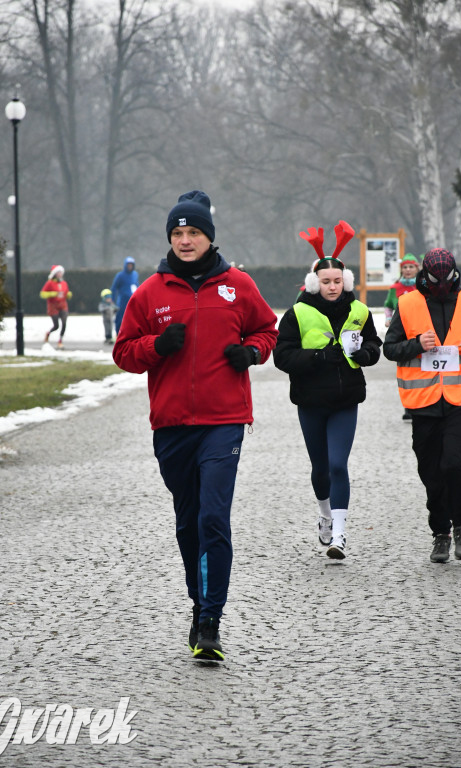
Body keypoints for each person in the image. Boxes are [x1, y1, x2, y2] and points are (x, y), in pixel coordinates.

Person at [112, 190, 278, 661]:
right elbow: (124, 352)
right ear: (170, 238)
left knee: (212, 517)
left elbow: (268, 330)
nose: (185, 241)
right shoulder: (150, 293)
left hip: (223, 421)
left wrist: (250, 353)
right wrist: (157, 348)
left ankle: (211, 620)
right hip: (171, 425)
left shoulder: (237, 285)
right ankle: (198, 602)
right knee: (188, 523)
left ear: (209, 238)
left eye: (194, 233)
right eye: (178, 233)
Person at [274, 221, 381, 560]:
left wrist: (366, 354)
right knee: (320, 468)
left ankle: (339, 534)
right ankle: (324, 514)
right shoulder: (297, 313)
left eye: (338, 281)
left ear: (346, 282)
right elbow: (282, 356)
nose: (333, 287)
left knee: (338, 465)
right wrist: (319, 356)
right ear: (314, 283)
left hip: (345, 399)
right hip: (310, 401)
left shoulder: (360, 311)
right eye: (326, 282)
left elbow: (375, 344)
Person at [383, 248, 461, 563]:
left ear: (455, 274)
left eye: (447, 279)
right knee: (431, 471)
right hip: (423, 401)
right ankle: (440, 533)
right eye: (435, 280)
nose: (442, 285)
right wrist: (417, 345)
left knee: (454, 463)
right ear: (424, 278)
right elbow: (390, 348)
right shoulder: (408, 303)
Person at [384, 253, 422, 420]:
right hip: (401, 333)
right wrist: (388, 319)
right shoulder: (395, 288)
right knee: (405, 368)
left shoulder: (422, 287)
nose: (407, 270)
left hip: (419, 332)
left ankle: (421, 402)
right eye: (405, 267)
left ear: (417, 268)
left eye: (411, 267)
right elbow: (388, 306)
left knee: (421, 369)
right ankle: (408, 405)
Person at [40, 265, 72, 349]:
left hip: (63, 305)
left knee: (64, 323)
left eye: (61, 272)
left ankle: (60, 341)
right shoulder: (49, 283)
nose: (60, 274)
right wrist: (53, 294)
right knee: (56, 326)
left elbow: (66, 293)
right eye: (58, 272)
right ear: (54, 274)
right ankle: (48, 333)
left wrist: (68, 295)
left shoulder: (64, 283)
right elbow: (42, 294)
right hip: (53, 306)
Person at [111, 257, 139, 334]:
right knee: (120, 318)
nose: (130, 266)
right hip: (122, 301)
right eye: (128, 265)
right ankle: (118, 333)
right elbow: (114, 288)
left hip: (133, 300)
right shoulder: (120, 275)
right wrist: (112, 299)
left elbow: (137, 286)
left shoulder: (135, 274)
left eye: (131, 265)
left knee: (133, 318)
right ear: (125, 265)